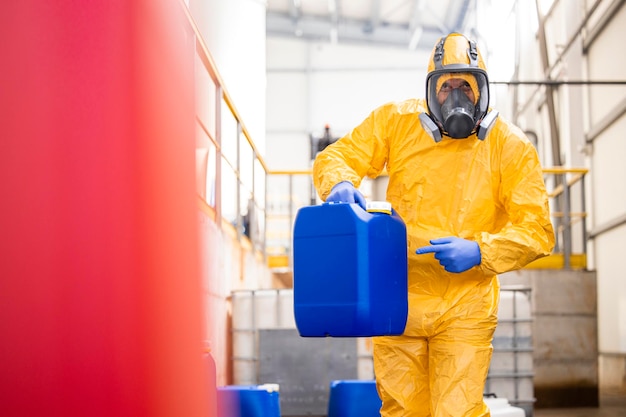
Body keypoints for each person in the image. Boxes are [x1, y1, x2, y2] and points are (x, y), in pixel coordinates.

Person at [312, 32, 555, 417]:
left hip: (465, 305)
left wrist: (480, 251)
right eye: (446, 87)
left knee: (457, 411)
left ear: (482, 90)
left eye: (466, 86)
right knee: (401, 410)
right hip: (398, 300)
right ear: (431, 90)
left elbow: (539, 229)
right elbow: (339, 155)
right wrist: (340, 182)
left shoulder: (509, 146)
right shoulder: (397, 123)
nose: (455, 96)